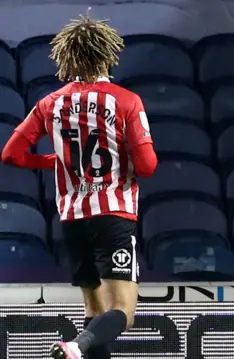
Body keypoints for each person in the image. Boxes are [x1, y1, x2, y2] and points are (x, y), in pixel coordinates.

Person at [1, 12, 158, 359]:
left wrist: (54, 161)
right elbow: (147, 167)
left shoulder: (50, 103)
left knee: (95, 311)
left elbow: (11, 154)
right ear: (107, 55)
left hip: (72, 217)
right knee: (123, 312)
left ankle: (79, 346)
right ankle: (76, 345)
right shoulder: (126, 100)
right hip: (113, 215)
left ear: (66, 59)